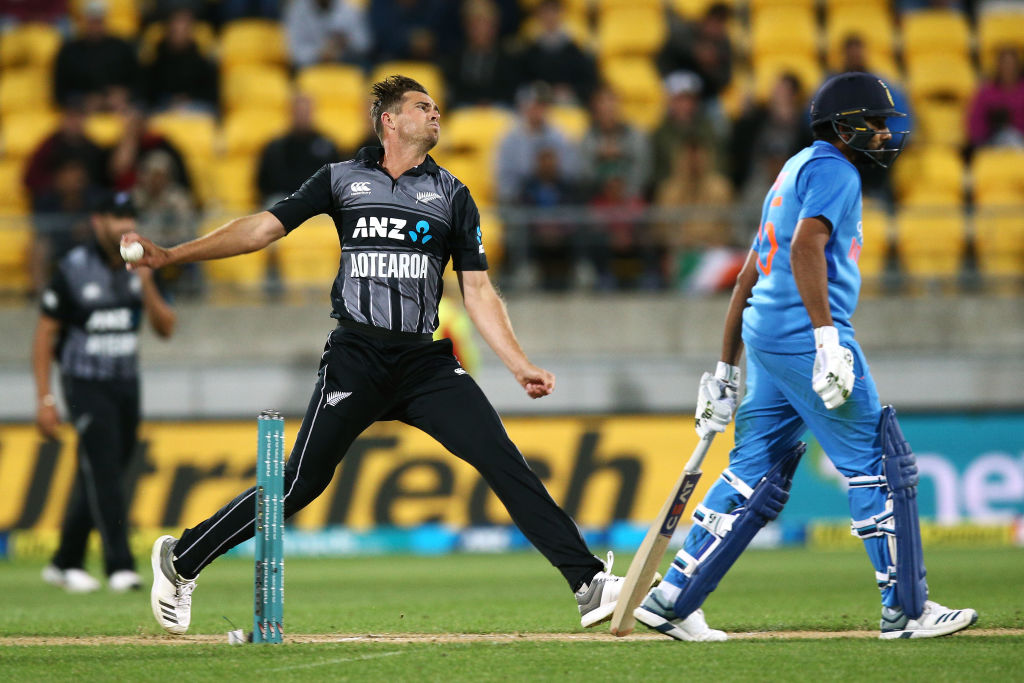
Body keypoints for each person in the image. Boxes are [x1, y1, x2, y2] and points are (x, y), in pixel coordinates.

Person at [124, 75, 626, 635]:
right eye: (421, 106)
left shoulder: (454, 194)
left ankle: (587, 584)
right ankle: (182, 558)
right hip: (356, 355)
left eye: (437, 106)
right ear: (389, 120)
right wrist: (171, 255)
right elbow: (262, 230)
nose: (435, 114)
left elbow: (478, 289)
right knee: (296, 486)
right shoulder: (341, 179)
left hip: (424, 363)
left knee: (501, 458)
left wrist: (518, 363)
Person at [632, 73, 978, 641]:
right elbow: (803, 247)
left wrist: (725, 369)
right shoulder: (835, 171)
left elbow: (747, 275)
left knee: (753, 471)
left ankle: (672, 598)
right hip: (803, 333)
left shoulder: (791, 169)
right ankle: (907, 609)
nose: (884, 133)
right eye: (874, 122)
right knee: (878, 461)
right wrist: (826, 339)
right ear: (843, 126)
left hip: (765, 333)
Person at [33, 192, 176, 593]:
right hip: (83, 382)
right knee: (106, 470)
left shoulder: (142, 265)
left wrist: (147, 283)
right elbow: (45, 335)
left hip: (126, 381)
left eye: (129, 215)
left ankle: (65, 561)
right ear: (98, 222)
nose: (122, 224)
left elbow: (166, 328)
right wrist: (45, 399)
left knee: (100, 469)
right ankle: (119, 566)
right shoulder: (74, 269)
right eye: (115, 216)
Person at [52, 0, 140, 112]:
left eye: (98, 21)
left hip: (119, 109)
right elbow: (60, 93)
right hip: (81, 112)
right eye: (91, 21)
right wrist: (83, 101)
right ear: (82, 21)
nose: (95, 26)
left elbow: (139, 82)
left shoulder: (122, 47)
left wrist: (125, 94)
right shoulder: (69, 51)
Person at [256, 94, 341, 206]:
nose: (302, 116)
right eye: (298, 111)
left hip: (317, 199)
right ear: (290, 113)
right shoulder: (275, 147)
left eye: (306, 111)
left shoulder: (327, 145)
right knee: (274, 203)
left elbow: (337, 180)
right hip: (284, 198)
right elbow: (264, 182)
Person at [967, 47, 1024, 149]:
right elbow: (975, 121)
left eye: (1011, 64)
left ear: (1017, 66)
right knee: (1007, 136)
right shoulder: (986, 92)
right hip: (993, 142)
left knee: (1011, 137)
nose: (1008, 68)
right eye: (1005, 64)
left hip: (1020, 138)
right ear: (998, 67)